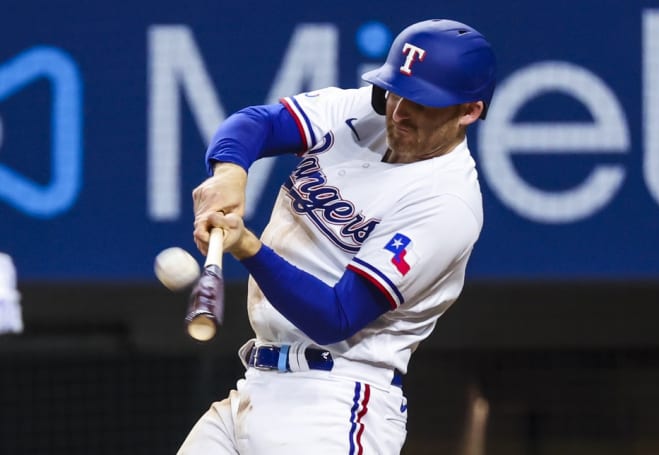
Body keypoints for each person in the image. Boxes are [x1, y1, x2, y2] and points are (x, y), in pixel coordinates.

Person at [179, 18, 497, 455]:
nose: (400, 111)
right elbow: (257, 123)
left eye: (423, 102)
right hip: (256, 382)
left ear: (469, 111)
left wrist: (247, 248)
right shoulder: (366, 111)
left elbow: (336, 316)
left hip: (336, 403)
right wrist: (231, 173)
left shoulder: (447, 202)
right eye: (396, 92)